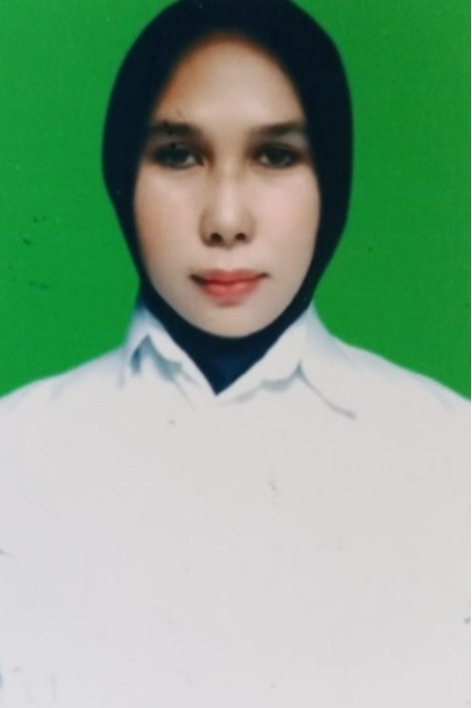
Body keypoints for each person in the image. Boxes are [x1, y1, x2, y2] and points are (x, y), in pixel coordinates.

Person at [0, 0, 468, 706]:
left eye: (275, 155)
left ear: (332, 176)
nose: (225, 221)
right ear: (123, 173)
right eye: (178, 154)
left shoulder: (449, 453)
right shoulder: (18, 451)